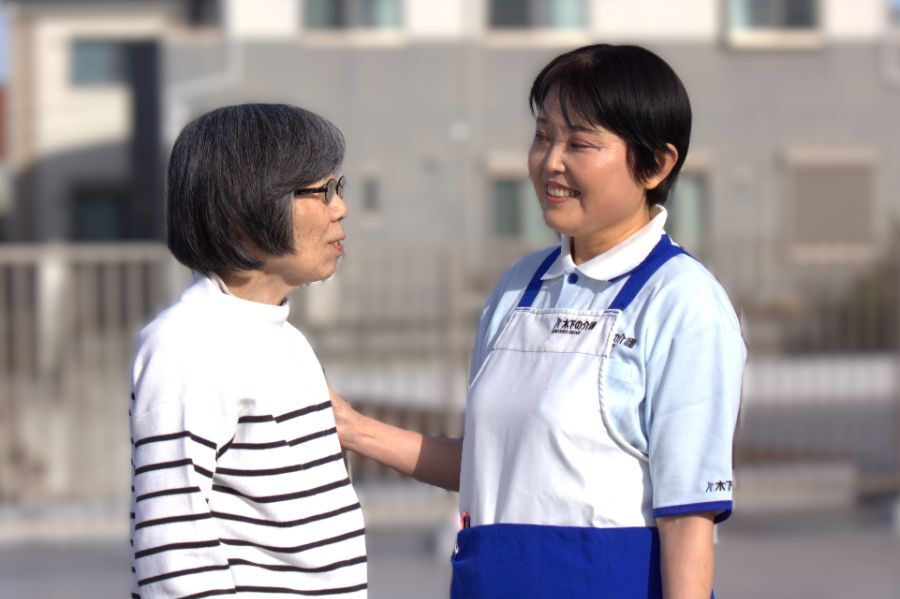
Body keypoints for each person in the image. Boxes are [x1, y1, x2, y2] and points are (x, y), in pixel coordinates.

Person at [331, 44, 745, 598]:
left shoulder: (683, 301)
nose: (551, 162)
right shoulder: (517, 288)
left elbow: (687, 514)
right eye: (543, 136)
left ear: (656, 164)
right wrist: (350, 427)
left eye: (580, 143)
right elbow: (489, 463)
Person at [130, 104, 367, 598]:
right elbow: (174, 552)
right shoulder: (187, 343)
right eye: (322, 192)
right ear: (247, 208)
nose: (340, 208)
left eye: (338, 188)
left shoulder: (283, 337)